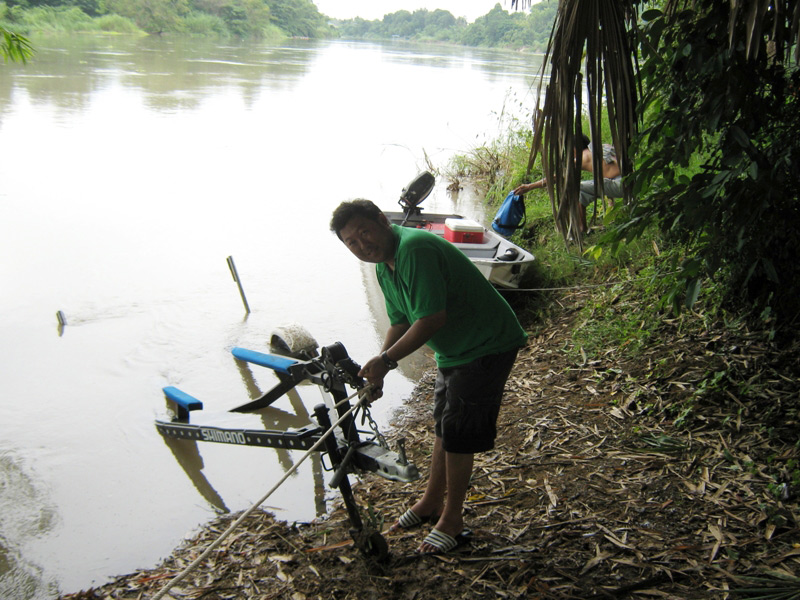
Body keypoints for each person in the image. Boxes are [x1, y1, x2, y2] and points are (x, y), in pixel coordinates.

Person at [329, 199, 528, 554]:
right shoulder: (384, 266)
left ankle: (452, 520)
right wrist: (380, 362)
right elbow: (401, 321)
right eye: (351, 242)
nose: (362, 244)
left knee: (459, 435)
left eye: (364, 232)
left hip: (485, 343)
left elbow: (431, 320)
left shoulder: (414, 248)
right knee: (444, 424)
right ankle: (431, 501)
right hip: (454, 350)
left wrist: (387, 362)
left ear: (381, 220)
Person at [513, 135, 622, 233]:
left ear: (574, 148)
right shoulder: (604, 147)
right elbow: (609, 172)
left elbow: (556, 177)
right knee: (585, 190)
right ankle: (583, 227)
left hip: (620, 185)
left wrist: (530, 186)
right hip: (631, 181)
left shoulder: (582, 157)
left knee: (576, 188)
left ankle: (581, 228)